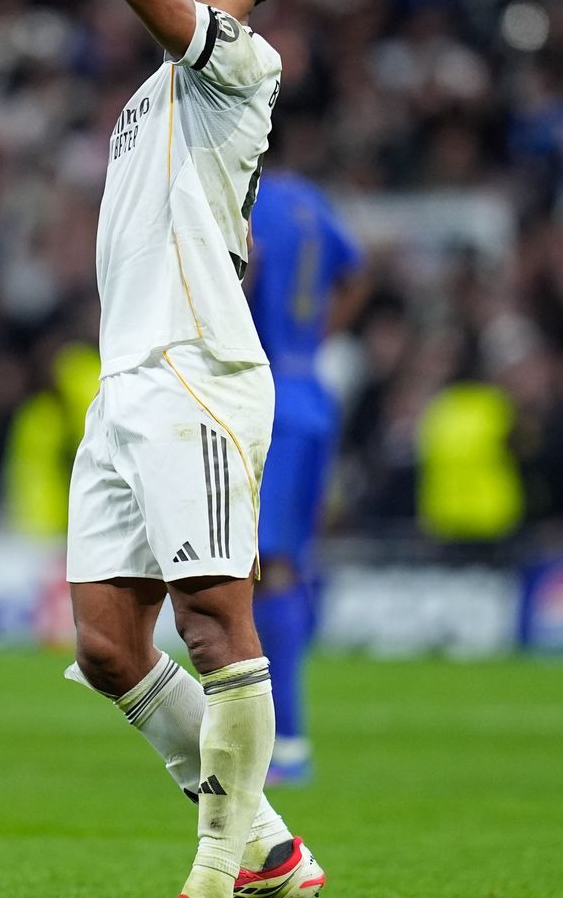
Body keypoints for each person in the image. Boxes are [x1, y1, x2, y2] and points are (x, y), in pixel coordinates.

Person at [61, 0, 325, 898]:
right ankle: (268, 843)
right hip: (123, 374)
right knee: (108, 646)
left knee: (214, 621)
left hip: (196, 368)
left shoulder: (242, 62)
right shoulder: (161, 83)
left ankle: (221, 868)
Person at [243, 172, 365, 785]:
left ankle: (284, 742)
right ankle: (276, 736)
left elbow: (250, 267)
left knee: (267, 569)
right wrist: (315, 336)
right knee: (283, 566)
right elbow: (356, 270)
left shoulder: (240, 194)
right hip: (312, 391)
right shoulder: (311, 200)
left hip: (264, 398)